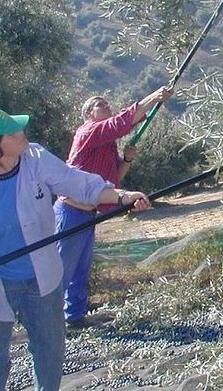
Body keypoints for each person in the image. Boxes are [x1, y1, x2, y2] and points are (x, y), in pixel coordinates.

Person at [0, 106, 152, 391]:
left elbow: (77, 183)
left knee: (49, 348)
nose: (23, 132)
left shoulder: (35, 159)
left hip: (41, 279)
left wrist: (122, 195)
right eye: (14, 131)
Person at [55, 87, 173, 328]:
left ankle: (74, 318)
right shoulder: (88, 132)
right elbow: (119, 124)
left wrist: (127, 159)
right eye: (101, 105)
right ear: (88, 114)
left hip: (88, 214)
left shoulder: (106, 144)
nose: (107, 107)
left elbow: (114, 179)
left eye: (108, 104)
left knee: (80, 269)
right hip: (70, 211)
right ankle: (48, 321)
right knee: (62, 269)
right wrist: (153, 98)